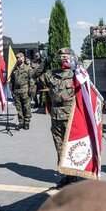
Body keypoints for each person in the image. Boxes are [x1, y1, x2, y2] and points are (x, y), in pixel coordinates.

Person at [37, 48, 77, 188]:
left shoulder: (76, 74)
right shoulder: (51, 74)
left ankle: (74, 174)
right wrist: (44, 64)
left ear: (71, 57)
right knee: (59, 146)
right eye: (61, 56)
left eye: (66, 56)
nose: (63, 58)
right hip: (55, 114)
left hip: (71, 114)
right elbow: (36, 78)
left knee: (71, 146)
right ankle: (65, 176)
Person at [10, 52, 34, 130]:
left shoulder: (28, 68)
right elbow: (11, 81)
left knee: (26, 107)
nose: (17, 59)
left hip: (25, 90)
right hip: (17, 91)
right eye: (16, 58)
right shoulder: (14, 69)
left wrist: (31, 91)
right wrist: (12, 91)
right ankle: (21, 122)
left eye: (19, 57)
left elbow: (32, 80)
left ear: (23, 58)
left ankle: (27, 122)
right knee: (19, 108)